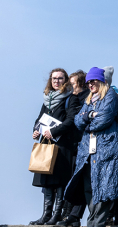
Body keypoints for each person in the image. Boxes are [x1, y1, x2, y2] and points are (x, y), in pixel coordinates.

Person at [65, 68, 118, 227]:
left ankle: (97, 223)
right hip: (88, 153)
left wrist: (87, 119)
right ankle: (92, 223)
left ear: (102, 81)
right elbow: (78, 121)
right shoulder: (88, 99)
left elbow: (103, 120)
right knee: (89, 188)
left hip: (107, 151)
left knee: (104, 189)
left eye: (93, 81)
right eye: (88, 82)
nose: (90, 84)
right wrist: (88, 116)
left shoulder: (111, 97)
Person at [30, 69, 73, 226]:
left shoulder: (69, 97)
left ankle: (56, 215)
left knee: (59, 181)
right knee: (47, 180)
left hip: (62, 146)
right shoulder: (46, 99)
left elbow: (70, 121)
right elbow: (39, 119)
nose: (56, 81)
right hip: (47, 145)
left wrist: (53, 131)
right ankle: (45, 215)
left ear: (65, 80)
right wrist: (36, 130)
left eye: (60, 78)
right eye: (54, 78)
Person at [53, 71, 89, 227]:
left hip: (85, 144)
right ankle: (71, 217)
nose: (70, 86)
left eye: (73, 84)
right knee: (74, 180)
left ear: (80, 84)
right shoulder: (71, 98)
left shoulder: (87, 99)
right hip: (74, 144)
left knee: (81, 181)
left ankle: (73, 216)